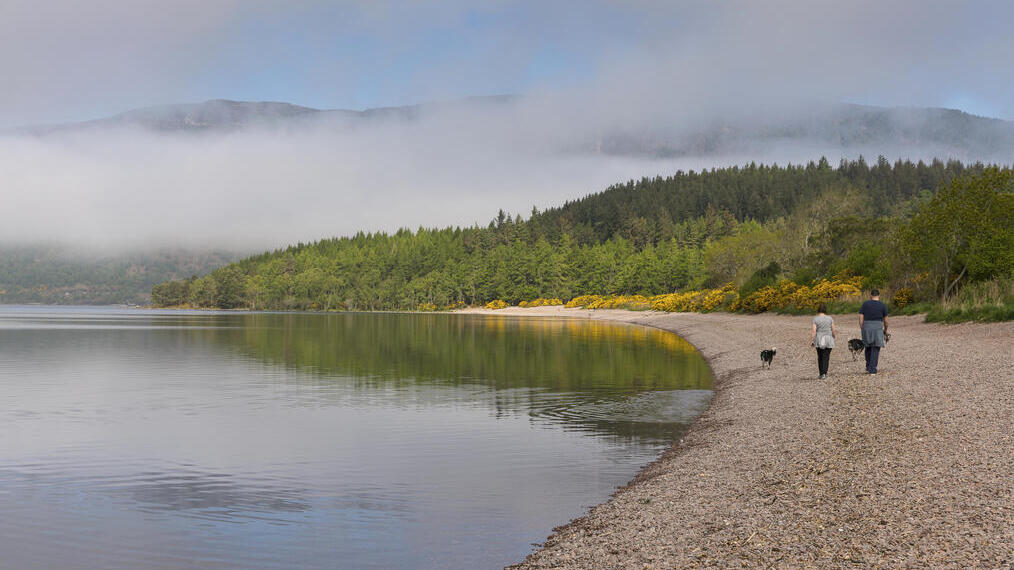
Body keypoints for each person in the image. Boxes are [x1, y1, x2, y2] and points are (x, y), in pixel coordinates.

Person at [859, 288, 889, 374]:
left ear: (870, 295)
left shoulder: (865, 304)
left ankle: (868, 366)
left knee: (867, 346)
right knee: (876, 347)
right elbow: (886, 321)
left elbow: (861, 317)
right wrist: (885, 330)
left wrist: (862, 327)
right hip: (877, 327)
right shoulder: (883, 305)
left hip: (866, 326)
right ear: (879, 295)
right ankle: (872, 369)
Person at [810, 302, 836, 379]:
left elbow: (814, 331)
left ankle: (821, 373)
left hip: (819, 339)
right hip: (828, 338)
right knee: (826, 356)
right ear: (825, 310)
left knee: (820, 356)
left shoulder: (815, 319)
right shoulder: (830, 318)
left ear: (818, 310)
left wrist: (812, 340)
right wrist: (834, 336)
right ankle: (824, 373)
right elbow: (833, 329)